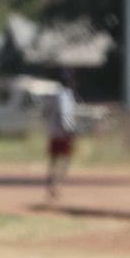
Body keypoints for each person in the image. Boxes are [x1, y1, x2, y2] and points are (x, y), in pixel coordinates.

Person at [45, 72, 77, 200]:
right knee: (65, 159)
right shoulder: (65, 96)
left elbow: (46, 111)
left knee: (54, 160)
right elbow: (64, 114)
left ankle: (52, 183)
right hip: (63, 133)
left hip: (54, 131)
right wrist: (68, 129)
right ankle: (55, 184)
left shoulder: (56, 95)